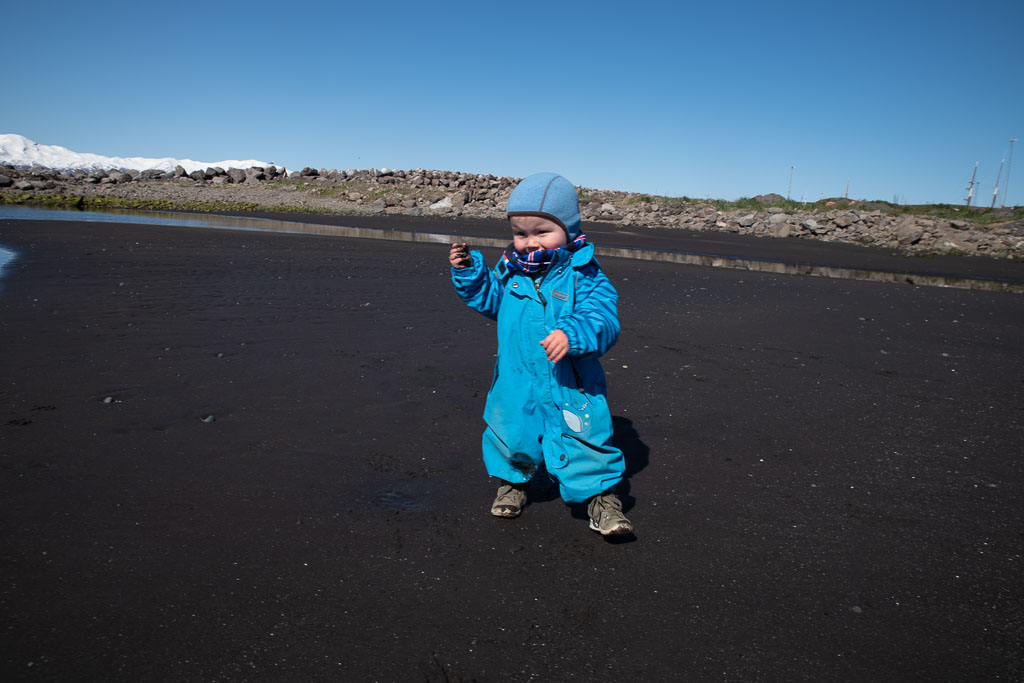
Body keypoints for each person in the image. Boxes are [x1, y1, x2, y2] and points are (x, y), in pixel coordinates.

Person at [449, 172, 633, 536]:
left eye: (541, 231)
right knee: (511, 430)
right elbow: (492, 303)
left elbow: (603, 318)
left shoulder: (584, 274)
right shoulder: (510, 270)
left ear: (567, 229)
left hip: (571, 381)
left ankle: (601, 500)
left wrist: (573, 333)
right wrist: (471, 273)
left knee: (586, 438)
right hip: (517, 375)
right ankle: (513, 483)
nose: (529, 242)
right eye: (520, 233)